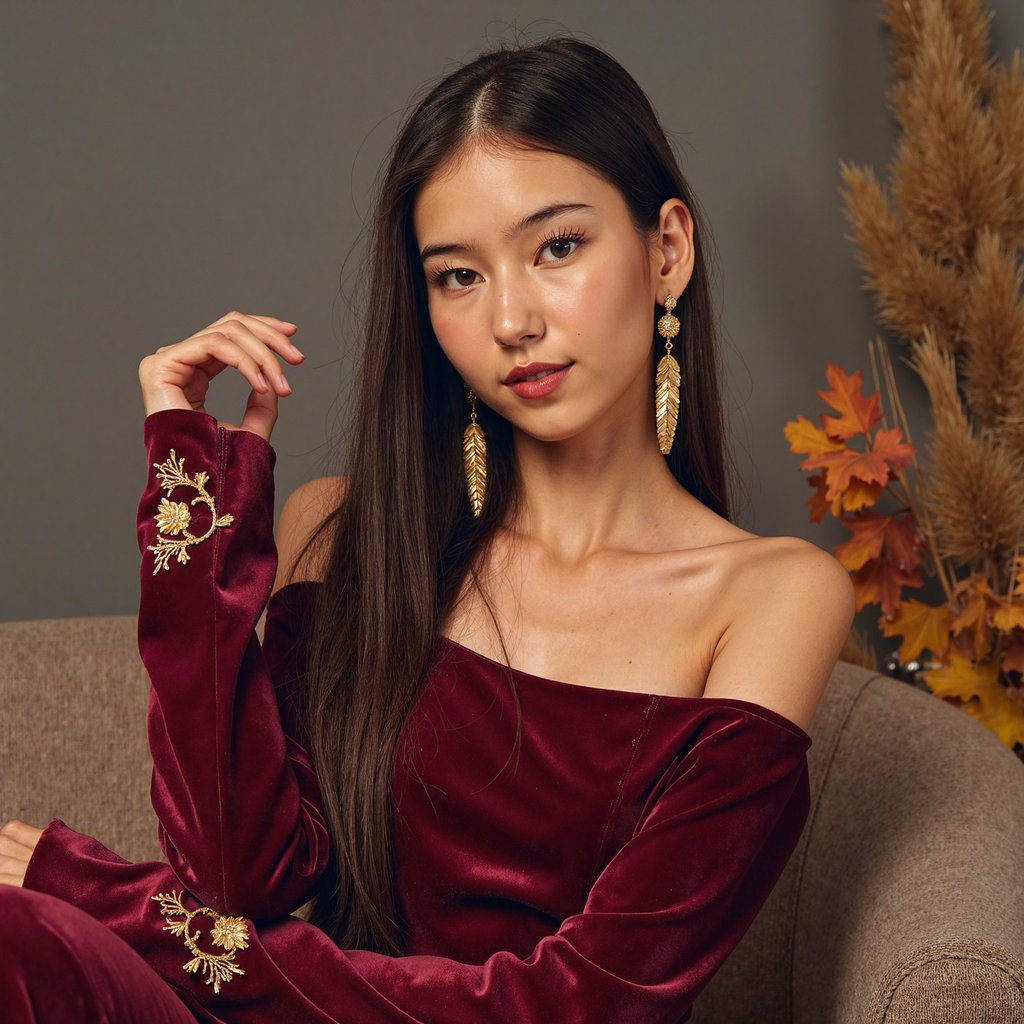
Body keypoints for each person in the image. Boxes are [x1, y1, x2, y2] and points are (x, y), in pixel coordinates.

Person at [0, 33, 855, 1023]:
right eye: (459, 276)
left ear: (666, 249)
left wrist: (113, 901)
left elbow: (583, 1003)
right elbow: (238, 883)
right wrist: (191, 480)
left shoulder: (771, 595)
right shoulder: (347, 530)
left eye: (557, 248)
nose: (511, 321)